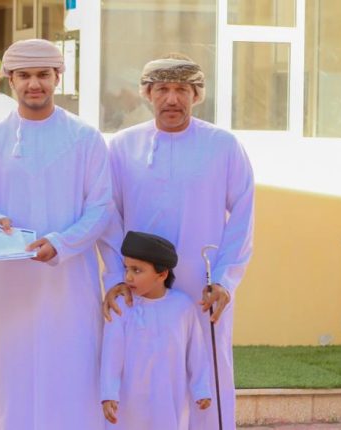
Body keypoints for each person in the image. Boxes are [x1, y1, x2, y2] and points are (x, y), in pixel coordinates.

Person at [0, 39, 112, 430]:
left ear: (58, 77)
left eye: (43, 74)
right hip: (9, 284)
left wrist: (61, 243)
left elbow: (101, 207)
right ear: (10, 80)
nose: (34, 84)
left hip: (70, 283)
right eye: (24, 76)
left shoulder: (85, 137)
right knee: (12, 377)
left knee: (73, 374)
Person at [99, 53, 254, 430]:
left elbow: (243, 216)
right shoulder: (123, 146)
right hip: (140, 289)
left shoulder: (223, 146)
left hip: (203, 286)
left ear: (196, 95)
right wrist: (119, 277)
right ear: (147, 93)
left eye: (182, 89)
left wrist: (224, 280)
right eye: (162, 89)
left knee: (207, 372)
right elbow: (108, 216)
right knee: (141, 371)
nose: (172, 99)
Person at [101, 231, 212, 429]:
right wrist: (109, 393)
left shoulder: (182, 306)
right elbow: (111, 354)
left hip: (170, 395)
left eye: (137, 270)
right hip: (130, 400)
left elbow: (196, 352)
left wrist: (201, 389)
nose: (128, 277)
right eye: (126, 268)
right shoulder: (122, 306)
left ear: (162, 274)